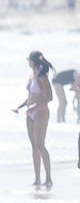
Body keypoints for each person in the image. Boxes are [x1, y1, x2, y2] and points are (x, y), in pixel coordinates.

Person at [16, 51, 53, 187]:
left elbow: (49, 97)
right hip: (30, 113)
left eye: (29, 60)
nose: (28, 62)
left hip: (41, 113)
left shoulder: (43, 76)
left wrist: (35, 107)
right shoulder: (32, 76)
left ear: (33, 61)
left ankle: (48, 178)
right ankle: (37, 178)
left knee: (40, 145)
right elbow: (30, 96)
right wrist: (20, 107)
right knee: (34, 147)